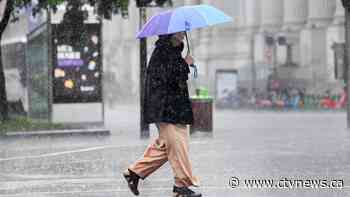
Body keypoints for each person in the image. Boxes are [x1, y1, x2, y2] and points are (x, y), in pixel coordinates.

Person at [123, 32, 201, 197]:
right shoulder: (162, 52)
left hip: (175, 108)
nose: (182, 34)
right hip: (165, 109)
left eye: (183, 31)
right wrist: (185, 64)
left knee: (168, 147)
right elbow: (167, 77)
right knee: (177, 146)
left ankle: (134, 173)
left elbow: (174, 77)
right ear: (171, 34)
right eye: (179, 31)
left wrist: (184, 64)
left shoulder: (173, 52)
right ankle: (181, 187)